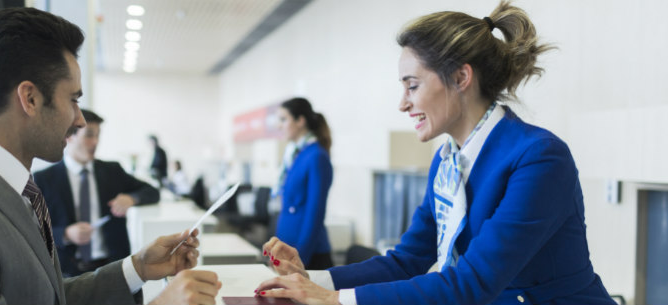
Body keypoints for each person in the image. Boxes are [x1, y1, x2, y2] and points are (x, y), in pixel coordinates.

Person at [255, 2, 615, 304]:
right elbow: (409, 259)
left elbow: (473, 283)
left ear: (461, 78)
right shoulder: (447, 160)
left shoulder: (538, 158)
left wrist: (333, 300)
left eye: (412, 85)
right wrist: (315, 280)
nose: (402, 103)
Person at [0, 8, 220, 305]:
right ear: (30, 98)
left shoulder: (14, 188)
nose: (80, 120)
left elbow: (49, 298)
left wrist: (136, 267)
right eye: (73, 100)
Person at [34, 109, 160, 277]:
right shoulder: (44, 179)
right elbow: (35, 227)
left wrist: (132, 198)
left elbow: (152, 191)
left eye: (98, 135)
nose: (95, 142)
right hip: (66, 272)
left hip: (113, 267)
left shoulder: (112, 171)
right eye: (89, 135)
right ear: (69, 136)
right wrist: (65, 234)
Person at [273, 97, 334, 270]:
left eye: (284, 119)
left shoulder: (316, 156)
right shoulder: (296, 154)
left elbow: (315, 213)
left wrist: (300, 258)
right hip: (289, 248)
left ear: (300, 121)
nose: (279, 126)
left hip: (308, 255)